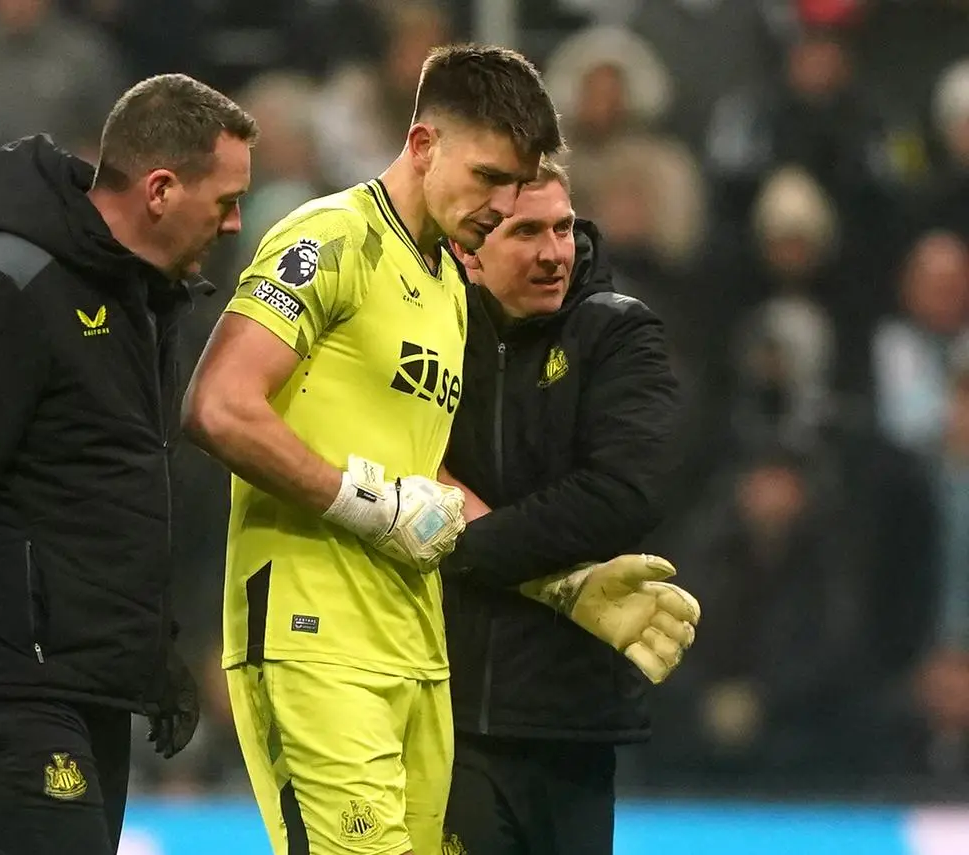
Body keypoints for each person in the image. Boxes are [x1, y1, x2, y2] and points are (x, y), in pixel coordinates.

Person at [0, 74, 257, 855]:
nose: (236, 221)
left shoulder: (147, 304)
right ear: (161, 189)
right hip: (6, 679)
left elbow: (108, 496)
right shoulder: (4, 283)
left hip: (87, 685)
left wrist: (154, 660)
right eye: (226, 199)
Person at [183, 44, 563, 855]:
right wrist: (367, 503)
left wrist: (564, 581)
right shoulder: (331, 237)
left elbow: (422, 480)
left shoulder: (447, 287)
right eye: (489, 177)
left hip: (416, 648)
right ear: (424, 144)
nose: (501, 205)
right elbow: (218, 406)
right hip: (311, 633)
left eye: (517, 184)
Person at [437, 159, 694, 855]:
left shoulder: (617, 332)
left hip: (572, 720)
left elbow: (624, 495)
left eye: (563, 228)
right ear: (468, 249)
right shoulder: (429, 332)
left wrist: (461, 544)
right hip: (444, 709)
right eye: (526, 232)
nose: (555, 251)